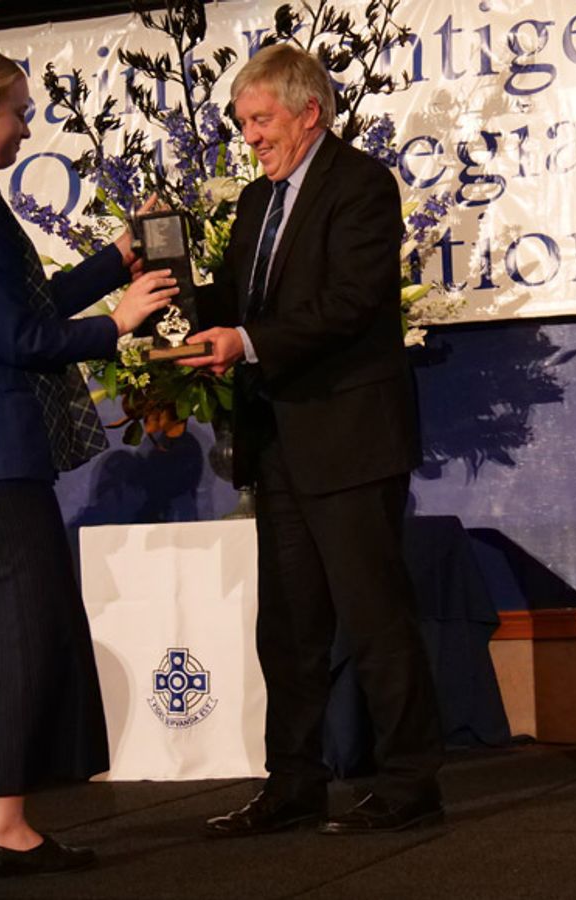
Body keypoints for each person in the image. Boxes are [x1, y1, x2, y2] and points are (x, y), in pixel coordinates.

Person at [0, 48, 177, 878]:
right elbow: (22, 337)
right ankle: (6, 824)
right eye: (18, 112)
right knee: (21, 631)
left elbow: (20, 306)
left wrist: (116, 260)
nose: (26, 127)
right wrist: (119, 323)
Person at [186, 44, 444, 836]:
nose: (250, 138)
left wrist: (246, 343)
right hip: (279, 442)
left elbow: (351, 303)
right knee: (289, 629)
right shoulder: (256, 202)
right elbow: (242, 302)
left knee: (374, 620)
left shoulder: (360, 185)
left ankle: (410, 783)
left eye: (260, 120)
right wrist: (173, 294)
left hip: (350, 438)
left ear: (309, 112)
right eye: (242, 123)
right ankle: (293, 784)